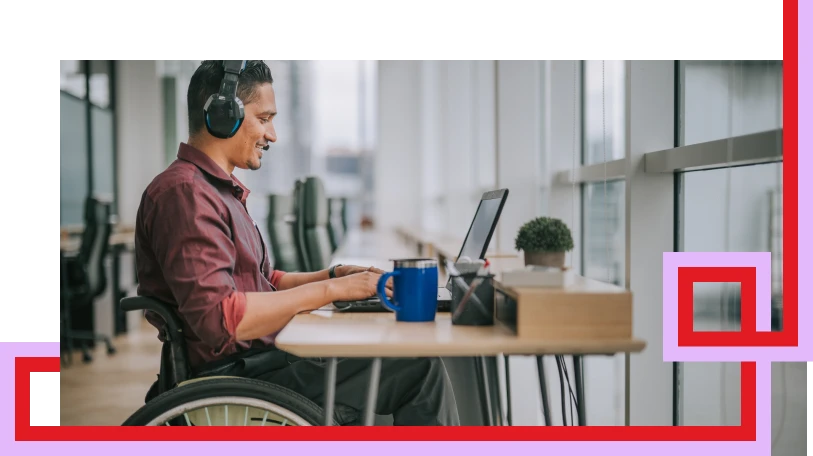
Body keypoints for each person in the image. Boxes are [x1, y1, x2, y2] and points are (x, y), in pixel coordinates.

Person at [134, 59, 459, 426]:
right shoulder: (186, 194)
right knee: (417, 370)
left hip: (262, 364)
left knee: (407, 362)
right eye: (264, 118)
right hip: (239, 379)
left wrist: (333, 276)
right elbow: (221, 320)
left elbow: (265, 281)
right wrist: (332, 290)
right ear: (223, 114)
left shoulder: (214, 191)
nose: (272, 135)